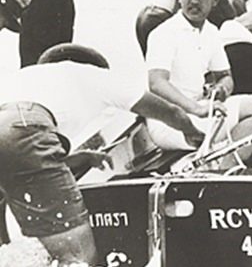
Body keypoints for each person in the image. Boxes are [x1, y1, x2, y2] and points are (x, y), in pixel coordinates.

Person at [0, 43, 203, 266]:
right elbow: (169, 111)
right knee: (77, 258)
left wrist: (75, 159)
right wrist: (193, 132)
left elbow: (17, 158)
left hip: (13, 131)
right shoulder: (93, 75)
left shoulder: (27, 78)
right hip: (24, 128)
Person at [146, 0, 252, 167]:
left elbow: (225, 76)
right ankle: (221, 169)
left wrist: (222, 89)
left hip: (200, 110)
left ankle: (221, 165)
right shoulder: (163, 33)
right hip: (169, 120)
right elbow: (156, 84)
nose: (194, 1)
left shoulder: (211, 32)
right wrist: (196, 108)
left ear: (214, 0)